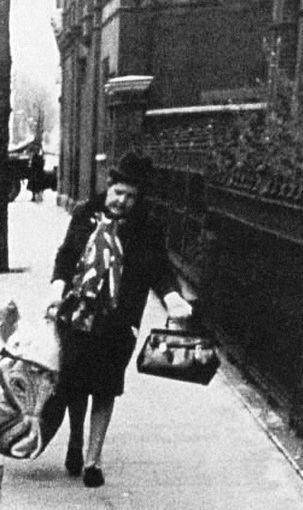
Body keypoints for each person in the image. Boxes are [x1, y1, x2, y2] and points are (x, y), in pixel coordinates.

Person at [48, 151, 190, 488]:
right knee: (75, 384)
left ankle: (93, 461)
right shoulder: (85, 214)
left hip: (119, 321)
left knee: (106, 386)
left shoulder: (146, 227)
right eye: (118, 192)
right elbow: (67, 254)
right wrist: (56, 289)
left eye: (131, 196)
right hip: (78, 315)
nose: (122, 201)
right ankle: (75, 439)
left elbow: (159, 268)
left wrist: (172, 297)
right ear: (108, 186)